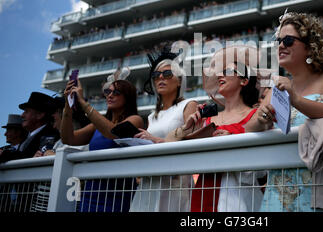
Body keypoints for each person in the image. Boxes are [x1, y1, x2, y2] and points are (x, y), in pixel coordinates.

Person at [246, 11, 323, 212]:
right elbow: (249, 128)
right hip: (278, 187)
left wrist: (296, 99)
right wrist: (261, 119)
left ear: (310, 45)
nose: (281, 46)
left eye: (288, 40)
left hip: (319, 182)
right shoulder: (279, 87)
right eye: (278, 41)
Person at [183, 45, 262, 212]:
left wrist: (233, 142)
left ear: (244, 80)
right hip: (204, 191)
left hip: (239, 193)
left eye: (227, 71)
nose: (220, 75)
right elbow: (191, 159)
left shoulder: (256, 116)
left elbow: (263, 165)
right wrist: (192, 130)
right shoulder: (208, 120)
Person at [61, 70, 144, 212]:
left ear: (127, 97)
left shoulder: (135, 119)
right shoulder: (96, 126)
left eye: (116, 92)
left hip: (117, 193)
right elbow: (68, 138)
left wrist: (83, 103)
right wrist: (68, 106)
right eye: (107, 91)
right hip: (91, 190)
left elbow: (113, 133)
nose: (110, 95)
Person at [129, 51, 197, 212]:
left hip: (176, 180)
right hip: (151, 178)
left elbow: (194, 141)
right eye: (156, 75)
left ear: (179, 80)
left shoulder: (188, 104)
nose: (160, 78)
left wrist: (154, 140)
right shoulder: (152, 116)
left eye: (167, 73)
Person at [18, 92, 60, 159]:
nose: (22, 115)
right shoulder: (25, 136)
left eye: (26, 111)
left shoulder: (51, 135)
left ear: (39, 115)